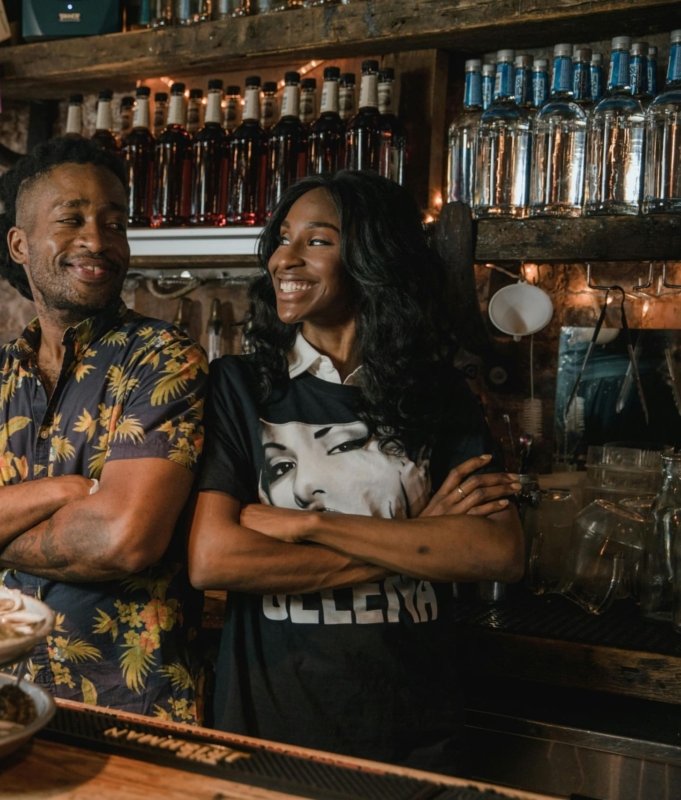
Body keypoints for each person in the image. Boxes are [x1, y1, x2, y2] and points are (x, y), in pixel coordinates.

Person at [188, 171, 524, 771]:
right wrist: (420, 533)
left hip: (413, 730)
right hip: (273, 726)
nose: (282, 258)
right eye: (282, 239)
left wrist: (305, 527)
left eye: (315, 241)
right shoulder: (241, 387)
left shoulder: (436, 393)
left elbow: (497, 551)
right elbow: (215, 558)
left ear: (372, 257)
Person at [0, 138, 208, 722]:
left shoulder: (163, 359)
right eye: (73, 219)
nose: (98, 240)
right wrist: (61, 492)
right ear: (20, 243)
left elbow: (122, 537)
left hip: (129, 705)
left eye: (115, 223)